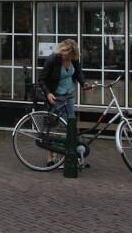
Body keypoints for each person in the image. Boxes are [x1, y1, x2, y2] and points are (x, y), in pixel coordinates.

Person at [39, 38, 91, 167]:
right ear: (63, 52)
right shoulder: (52, 60)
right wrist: (48, 93)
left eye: (71, 58)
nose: (69, 60)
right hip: (55, 97)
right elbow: (42, 79)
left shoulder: (74, 59)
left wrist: (83, 83)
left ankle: (70, 156)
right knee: (55, 127)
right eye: (67, 58)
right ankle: (50, 157)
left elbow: (78, 72)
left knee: (70, 126)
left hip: (68, 96)